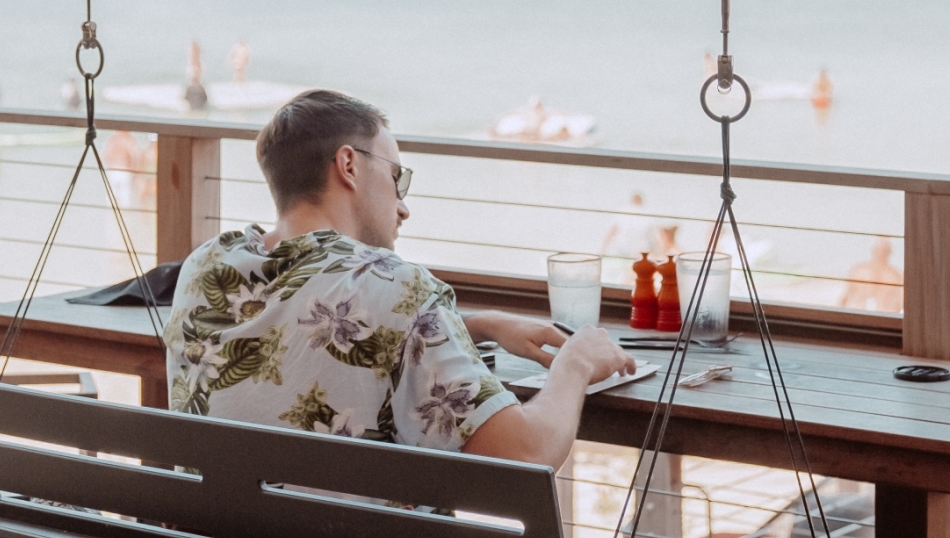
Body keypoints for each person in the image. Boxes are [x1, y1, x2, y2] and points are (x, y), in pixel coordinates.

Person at [165, 89, 636, 468]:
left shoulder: (206, 266)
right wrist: (575, 363)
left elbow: (304, 326)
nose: (404, 205)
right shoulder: (397, 285)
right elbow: (526, 454)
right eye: (396, 178)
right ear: (349, 166)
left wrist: (475, 323)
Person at [839, 237, 903, 313]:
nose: (881, 253)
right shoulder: (858, 271)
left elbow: (900, 306)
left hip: (884, 318)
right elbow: (844, 299)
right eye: (880, 250)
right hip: (859, 316)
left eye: (884, 250)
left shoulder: (896, 276)